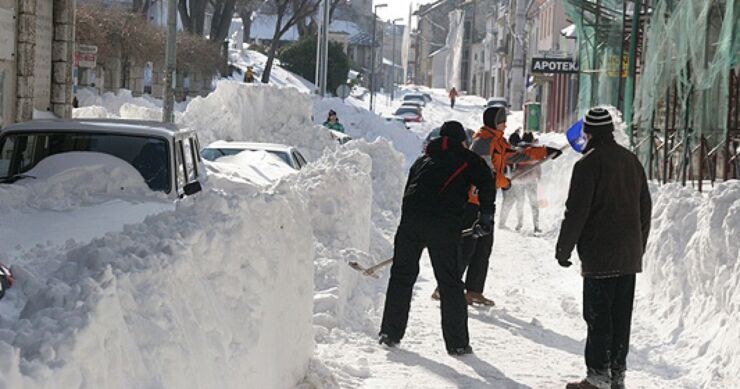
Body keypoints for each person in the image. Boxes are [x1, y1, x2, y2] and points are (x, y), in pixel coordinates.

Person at [379, 121, 495, 356]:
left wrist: (410, 227)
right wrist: (486, 217)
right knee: (450, 282)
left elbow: (408, 191)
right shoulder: (467, 158)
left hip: (411, 222)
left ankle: (389, 333)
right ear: (462, 140)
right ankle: (458, 343)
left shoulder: (423, 160)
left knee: (401, 276)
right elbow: (487, 182)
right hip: (443, 224)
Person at [556, 108, 652, 389]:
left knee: (598, 317)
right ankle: (617, 375)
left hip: (600, 255)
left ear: (588, 132)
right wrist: (638, 245)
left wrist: (564, 249)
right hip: (628, 254)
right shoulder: (631, 161)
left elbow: (576, 212)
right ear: (610, 130)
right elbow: (645, 208)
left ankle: (598, 377)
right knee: (621, 317)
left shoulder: (587, 164)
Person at [499, 131, 543, 233]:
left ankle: (519, 224)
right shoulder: (534, 150)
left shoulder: (517, 150)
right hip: (531, 180)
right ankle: (536, 226)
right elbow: (538, 165)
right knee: (533, 203)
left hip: (518, 180)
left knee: (520, 202)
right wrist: (539, 176)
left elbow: (511, 164)